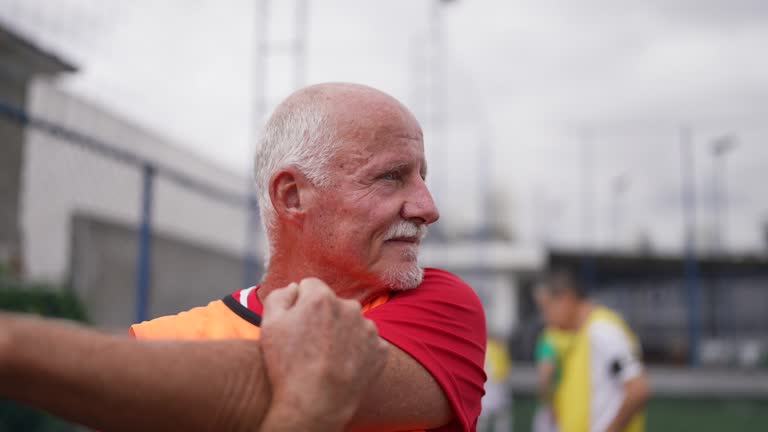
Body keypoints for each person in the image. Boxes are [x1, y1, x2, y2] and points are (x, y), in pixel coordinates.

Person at [0, 82, 487, 431]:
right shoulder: (154, 343)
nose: (428, 208)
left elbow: (249, 389)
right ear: (292, 196)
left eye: (422, 176)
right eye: (391, 177)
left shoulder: (443, 304)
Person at [535, 269, 650, 432]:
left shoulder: (602, 330)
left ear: (565, 299)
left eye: (546, 308)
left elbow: (638, 390)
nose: (545, 317)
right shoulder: (579, 334)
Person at [531, 297, 573, 432]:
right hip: (577, 405)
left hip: (554, 409)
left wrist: (548, 402)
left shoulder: (549, 337)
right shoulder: (576, 334)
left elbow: (545, 377)